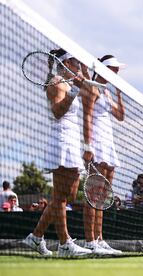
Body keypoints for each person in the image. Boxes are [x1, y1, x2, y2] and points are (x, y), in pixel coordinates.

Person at [23, 48, 95, 257]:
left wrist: (81, 80)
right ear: (65, 63)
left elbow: (91, 94)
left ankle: (36, 237)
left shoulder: (71, 83)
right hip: (61, 142)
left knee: (68, 196)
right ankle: (65, 244)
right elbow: (56, 112)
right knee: (61, 198)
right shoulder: (56, 83)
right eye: (75, 62)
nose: (77, 66)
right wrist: (74, 91)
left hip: (72, 143)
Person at [81, 54, 125, 256]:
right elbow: (87, 117)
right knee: (93, 195)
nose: (117, 73)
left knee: (103, 196)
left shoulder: (106, 91)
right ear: (104, 69)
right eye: (114, 70)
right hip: (96, 145)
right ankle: (90, 241)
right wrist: (88, 145)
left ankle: (99, 239)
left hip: (109, 145)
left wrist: (119, 93)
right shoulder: (91, 87)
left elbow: (120, 116)